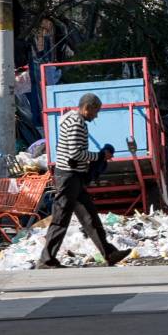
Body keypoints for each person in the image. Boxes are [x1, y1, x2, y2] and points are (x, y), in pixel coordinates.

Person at [38, 93, 130, 269]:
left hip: (74, 176)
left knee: (89, 217)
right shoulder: (76, 124)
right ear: (87, 108)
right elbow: (75, 153)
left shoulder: (71, 119)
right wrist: (100, 156)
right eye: (96, 111)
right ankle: (46, 260)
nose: (96, 116)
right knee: (61, 218)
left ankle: (109, 253)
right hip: (68, 176)